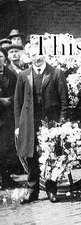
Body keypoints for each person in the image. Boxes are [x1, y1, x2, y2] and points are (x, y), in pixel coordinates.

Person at [14, 44, 68, 203]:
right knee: (30, 156)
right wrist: (18, 125)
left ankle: (52, 190)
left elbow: (64, 101)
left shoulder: (56, 73)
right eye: (33, 55)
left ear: (45, 54)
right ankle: (33, 191)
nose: (37, 58)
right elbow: (18, 102)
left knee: (51, 155)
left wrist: (61, 123)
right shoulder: (23, 75)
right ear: (28, 57)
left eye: (39, 54)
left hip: (50, 122)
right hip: (29, 122)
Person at [0, 48, 18, 189]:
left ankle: (6, 178)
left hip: (6, 117)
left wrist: (9, 100)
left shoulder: (11, 75)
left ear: (5, 59)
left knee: (5, 148)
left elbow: (17, 94)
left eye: (1, 56)